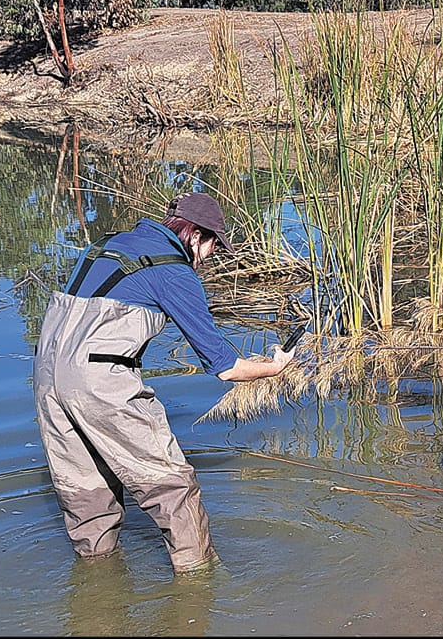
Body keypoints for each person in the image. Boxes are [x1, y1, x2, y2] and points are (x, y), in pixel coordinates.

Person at [31, 191, 295, 572]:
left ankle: (97, 589)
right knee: (172, 487)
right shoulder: (174, 271)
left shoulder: (105, 245)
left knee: (86, 491)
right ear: (195, 234)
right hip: (99, 380)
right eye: (212, 247)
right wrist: (273, 367)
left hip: (46, 375)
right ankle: (199, 583)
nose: (209, 258)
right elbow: (225, 367)